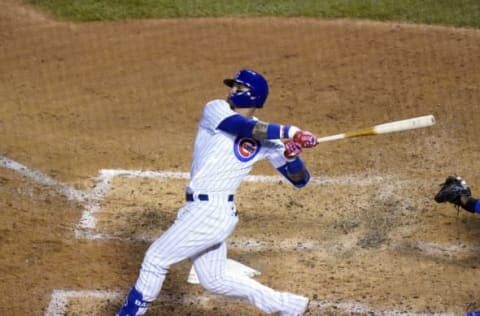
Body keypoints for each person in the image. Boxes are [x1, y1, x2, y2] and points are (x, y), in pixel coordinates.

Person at [117, 69, 318, 316]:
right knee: (214, 279)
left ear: (254, 96)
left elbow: (299, 180)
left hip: (211, 212)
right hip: (199, 210)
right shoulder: (216, 110)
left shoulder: (270, 140)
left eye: (240, 88)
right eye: (233, 85)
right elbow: (243, 128)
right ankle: (288, 305)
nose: (232, 90)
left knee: (155, 259)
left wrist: (290, 154)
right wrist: (291, 132)